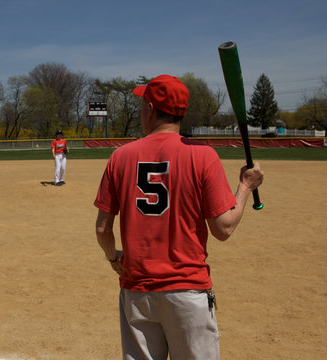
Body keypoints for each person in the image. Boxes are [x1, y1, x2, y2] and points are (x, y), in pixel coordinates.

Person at [94, 74, 264, 360]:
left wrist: (114, 259)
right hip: (187, 292)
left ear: (150, 108)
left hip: (137, 291)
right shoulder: (203, 155)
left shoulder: (120, 157)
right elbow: (223, 228)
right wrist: (246, 187)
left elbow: (102, 229)